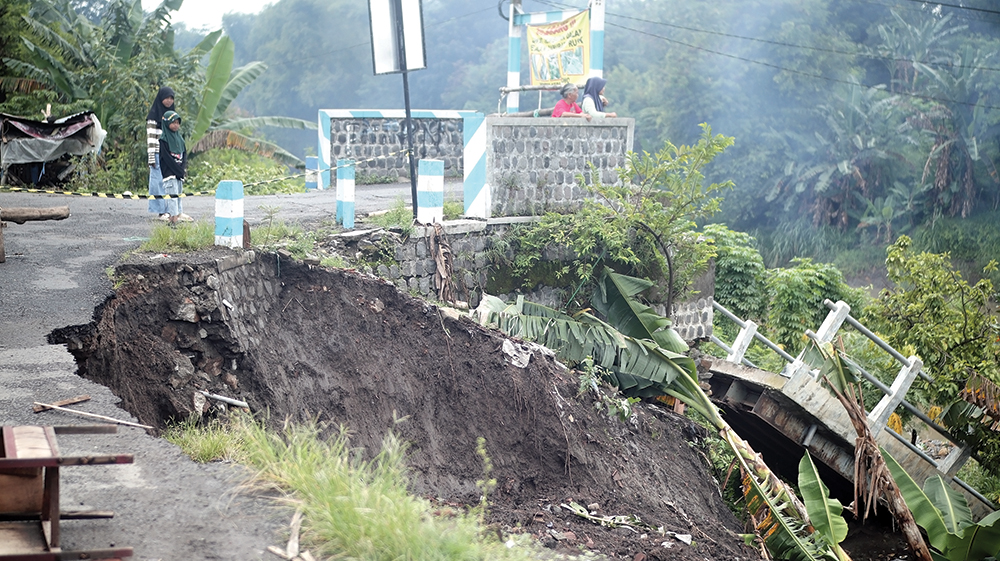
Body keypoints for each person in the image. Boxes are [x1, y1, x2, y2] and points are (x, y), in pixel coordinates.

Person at [158, 110, 193, 225]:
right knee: (172, 196)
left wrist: (182, 170)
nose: (176, 125)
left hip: (179, 174)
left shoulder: (180, 139)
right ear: (167, 123)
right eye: (173, 122)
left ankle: (178, 215)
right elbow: (167, 158)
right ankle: (173, 219)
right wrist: (178, 170)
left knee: (178, 195)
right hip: (169, 173)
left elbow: (184, 155)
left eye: (178, 123)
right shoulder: (163, 140)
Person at [146, 86, 175, 220]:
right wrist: (151, 157)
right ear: (160, 98)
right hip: (157, 153)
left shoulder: (172, 116)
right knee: (157, 181)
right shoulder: (153, 116)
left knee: (169, 181)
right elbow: (151, 139)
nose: (169, 101)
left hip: (169, 154)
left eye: (171, 98)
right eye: (166, 98)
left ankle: (170, 210)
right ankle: (160, 211)